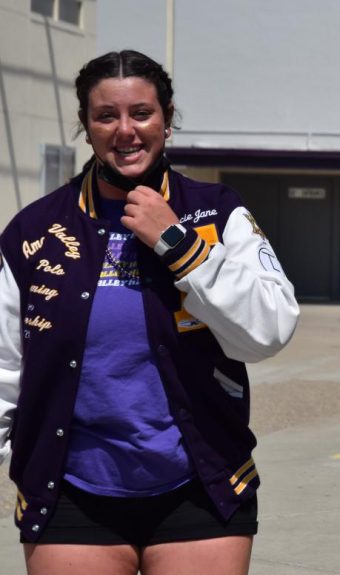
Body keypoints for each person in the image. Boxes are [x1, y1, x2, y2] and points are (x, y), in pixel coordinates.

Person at [0, 50, 300, 574]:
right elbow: (5, 369)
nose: (126, 131)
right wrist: (22, 459)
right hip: (70, 492)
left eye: (141, 113)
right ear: (84, 125)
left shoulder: (217, 211)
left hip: (202, 487)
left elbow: (268, 332)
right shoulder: (34, 230)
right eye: (106, 116)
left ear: (167, 116)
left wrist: (178, 245)